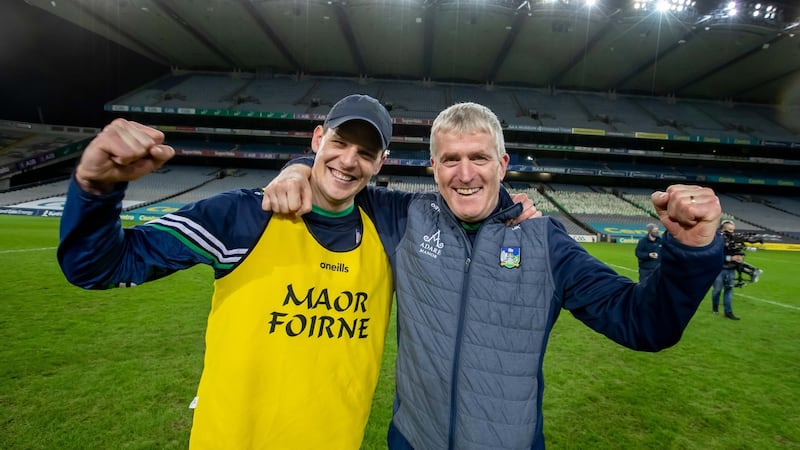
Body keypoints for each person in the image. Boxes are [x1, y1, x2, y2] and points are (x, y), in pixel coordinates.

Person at [263, 101, 725, 450]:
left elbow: (645, 324)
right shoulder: (404, 218)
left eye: (480, 158)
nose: (466, 174)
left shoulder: (546, 244)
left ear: (502, 165)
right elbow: (341, 171)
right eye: (450, 159)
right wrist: (297, 168)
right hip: (412, 441)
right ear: (434, 169)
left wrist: (691, 250)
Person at [58, 94, 399, 449]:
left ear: (381, 162)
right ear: (317, 139)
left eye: (365, 153)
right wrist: (97, 189)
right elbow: (99, 266)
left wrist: (296, 166)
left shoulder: (391, 228)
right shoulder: (242, 215)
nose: (348, 160)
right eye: (340, 143)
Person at [711, 219, 753, 320]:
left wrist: (739, 257)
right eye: (730, 230)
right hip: (719, 269)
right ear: (723, 229)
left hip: (731, 269)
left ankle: (728, 312)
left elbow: (738, 252)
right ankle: (715, 307)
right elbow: (714, 256)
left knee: (729, 289)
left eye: (733, 230)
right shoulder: (716, 240)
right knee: (717, 290)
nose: (732, 232)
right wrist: (730, 258)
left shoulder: (734, 240)